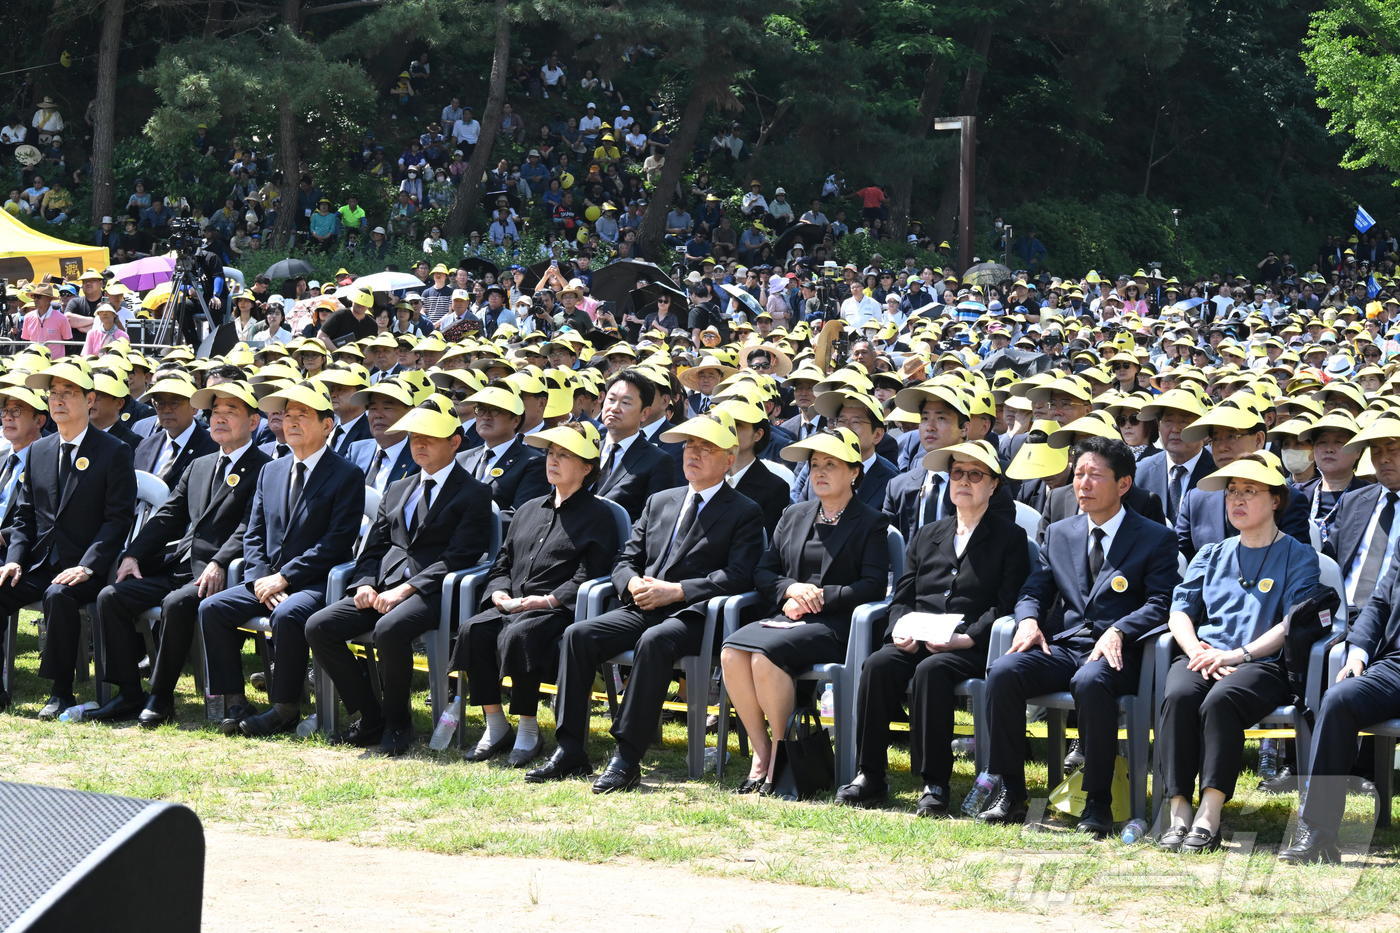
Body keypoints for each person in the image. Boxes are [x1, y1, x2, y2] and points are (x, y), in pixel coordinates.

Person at [526, 410, 764, 791]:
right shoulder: (660, 501)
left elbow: (738, 575)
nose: (693, 454)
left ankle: (627, 757)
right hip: (643, 604)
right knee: (578, 634)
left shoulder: (744, 511)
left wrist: (680, 590)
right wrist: (632, 582)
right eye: (689, 446)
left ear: (729, 459)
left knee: (655, 642)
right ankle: (570, 749)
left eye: (706, 447)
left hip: (696, 614)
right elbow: (625, 558)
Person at [978, 436, 1177, 836]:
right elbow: (1035, 589)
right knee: (1004, 671)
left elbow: (1161, 602)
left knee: (1091, 681)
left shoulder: (1155, 537)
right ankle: (1010, 791)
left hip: (1120, 653)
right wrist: (1029, 620)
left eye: (1094, 476)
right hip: (1066, 644)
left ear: (1123, 484)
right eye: (1079, 474)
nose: (1082, 484)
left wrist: (1121, 629)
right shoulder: (1061, 532)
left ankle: (1097, 801)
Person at [838, 440, 1029, 814]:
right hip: (918, 635)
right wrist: (897, 628)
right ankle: (870, 774)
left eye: (976, 475)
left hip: (969, 644)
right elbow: (903, 595)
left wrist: (967, 637)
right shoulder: (928, 534)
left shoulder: (1009, 537)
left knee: (932, 671)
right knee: (878, 664)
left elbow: (1006, 604)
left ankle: (935, 782)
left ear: (993, 485)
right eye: (958, 473)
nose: (964, 481)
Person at [305, 400, 493, 756]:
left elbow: (459, 556)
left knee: (389, 628)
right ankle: (370, 714)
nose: (418, 445)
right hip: (385, 587)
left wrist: (407, 589)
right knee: (319, 625)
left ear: (455, 442)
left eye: (430, 439)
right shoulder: (397, 488)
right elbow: (373, 547)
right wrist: (363, 583)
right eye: (414, 437)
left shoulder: (474, 493)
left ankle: (398, 723)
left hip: (435, 592)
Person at [1157, 452, 1320, 853]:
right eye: (1232, 492)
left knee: (1222, 701)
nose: (1237, 500)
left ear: (1275, 500)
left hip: (1261, 663)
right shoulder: (1211, 553)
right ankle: (1178, 809)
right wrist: (1196, 650)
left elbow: (1290, 625)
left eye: (1250, 491)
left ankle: (1210, 813)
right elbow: (1179, 610)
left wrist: (1237, 656)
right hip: (1204, 654)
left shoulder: (1298, 555)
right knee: (1179, 695)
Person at [89, 381, 269, 725]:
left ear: (253, 422)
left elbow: (250, 528)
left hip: (224, 571)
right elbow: (168, 516)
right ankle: (129, 692)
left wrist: (219, 562)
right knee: (112, 595)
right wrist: (133, 554)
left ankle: (160, 696)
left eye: (231, 412)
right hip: (180, 565)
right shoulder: (200, 465)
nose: (220, 419)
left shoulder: (264, 468)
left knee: (177, 603)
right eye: (216, 412)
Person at [722, 428, 889, 795]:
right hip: (789, 614)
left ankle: (782, 756)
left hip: (837, 623)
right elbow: (764, 572)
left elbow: (872, 586)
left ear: (854, 472)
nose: (820, 472)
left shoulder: (871, 522)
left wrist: (820, 597)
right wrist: (792, 590)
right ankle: (761, 752)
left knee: (765, 658)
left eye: (831, 464)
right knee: (733, 652)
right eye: (815, 465)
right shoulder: (793, 514)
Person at [198, 381, 364, 737]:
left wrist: (284, 578)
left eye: (302, 415)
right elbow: (253, 533)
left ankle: (284, 705)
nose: (291, 423)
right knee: (212, 608)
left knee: (289, 614)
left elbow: (335, 543)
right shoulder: (271, 471)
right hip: (267, 580)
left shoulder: (346, 475)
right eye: (287, 416)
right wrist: (260, 578)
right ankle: (233, 701)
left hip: (317, 581)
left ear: (327, 424)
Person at [454, 423, 620, 766]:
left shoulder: (599, 515)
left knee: (521, 633)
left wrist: (547, 601)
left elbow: (591, 574)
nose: (553, 461)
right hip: (513, 603)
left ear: (587, 467)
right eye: (550, 453)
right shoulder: (529, 509)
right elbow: (502, 562)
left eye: (564, 455)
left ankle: (529, 728)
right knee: (475, 629)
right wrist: (499, 594)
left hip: (556, 610)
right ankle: (496, 724)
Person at [0, 362, 135, 718]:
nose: (58, 400)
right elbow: (24, 516)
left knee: (58, 595)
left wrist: (88, 566)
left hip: (89, 567)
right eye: (54, 394)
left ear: (90, 400)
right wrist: (14, 557)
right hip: (41, 561)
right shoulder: (40, 451)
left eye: (68, 393)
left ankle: (61, 692)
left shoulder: (113, 451)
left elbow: (117, 521)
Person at [454, 384, 549, 519]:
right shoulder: (461, 458)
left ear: (515, 420)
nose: (486, 417)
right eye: (480, 409)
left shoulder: (533, 463)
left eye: (495, 410)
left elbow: (520, 518)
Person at [593, 370, 676, 520]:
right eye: (611, 399)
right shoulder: (588, 448)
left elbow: (651, 522)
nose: (615, 408)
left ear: (644, 413)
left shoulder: (658, 461)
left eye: (625, 402)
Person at [133, 375, 217, 488]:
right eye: (160, 403)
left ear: (194, 407)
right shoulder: (146, 445)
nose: (167, 410)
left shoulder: (213, 448)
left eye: (174, 403)